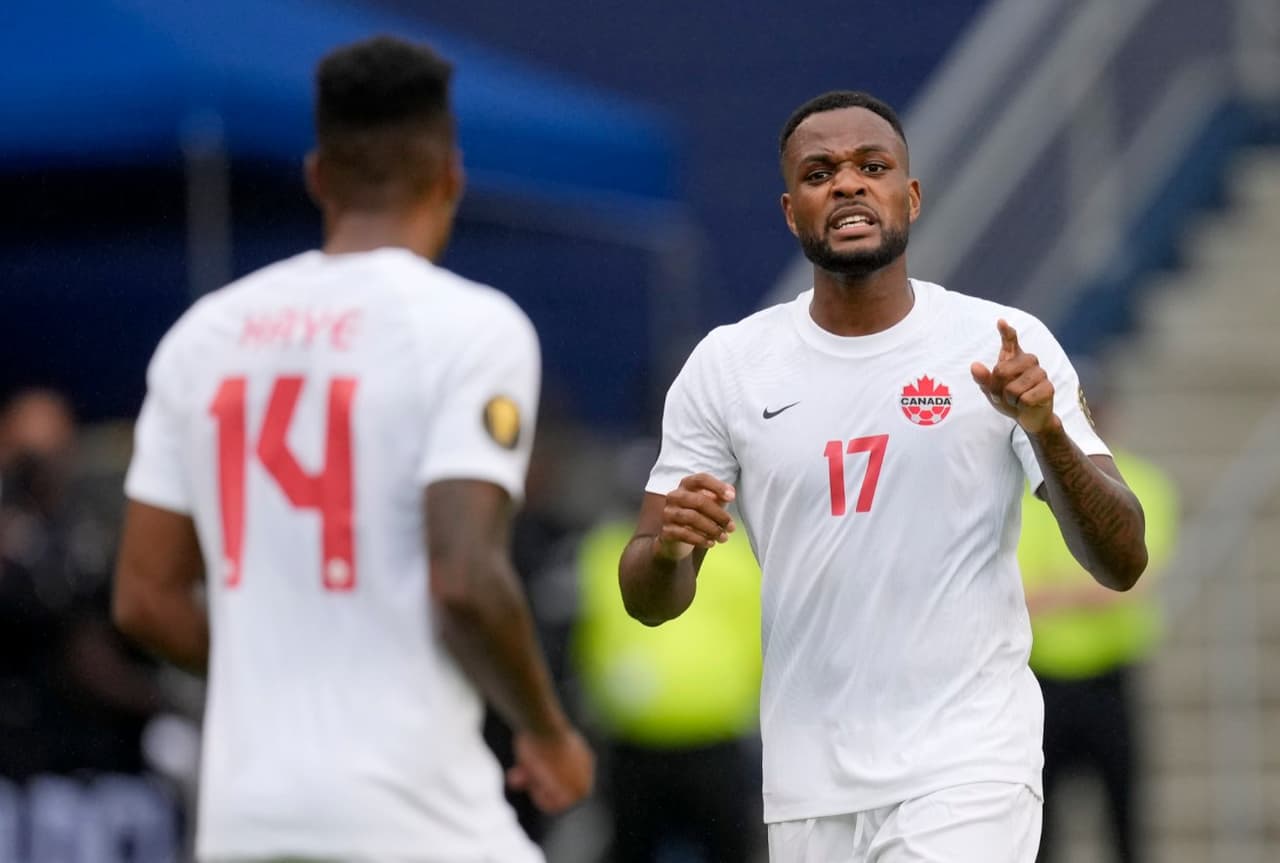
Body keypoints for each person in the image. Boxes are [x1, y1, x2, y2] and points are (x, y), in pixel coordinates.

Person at [617, 90, 1149, 863]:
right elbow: (647, 598)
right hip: (811, 784)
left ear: (911, 194)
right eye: (819, 172)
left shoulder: (1001, 341)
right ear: (791, 210)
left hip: (970, 763)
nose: (848, 184)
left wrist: (1048, 432)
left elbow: (1122, 556)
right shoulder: (729, 366)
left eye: (873, 166)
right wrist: (669, 548)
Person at [112, 36, 593, 863]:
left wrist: (282, 665)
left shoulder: (204, 335)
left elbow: (144, 599)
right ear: (451, 176)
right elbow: (467, 578)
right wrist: (546, 730)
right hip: (413, 814)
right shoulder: (471, 326)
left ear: (316, 177)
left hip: (244, 819)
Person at [1018, 379, 1179, 863]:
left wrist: (1057, 596)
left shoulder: (1144, 481)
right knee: (1037, 832)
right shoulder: (1027, 488)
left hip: (1111, 678)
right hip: (1040, 686)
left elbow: (1130, 581)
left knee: (1125, 823)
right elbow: (1021, 596)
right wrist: (1085, 592)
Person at [574, 505, 764, 863]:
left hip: (716, 742)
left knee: (726, 848)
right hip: (634, 743)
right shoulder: (605, 549)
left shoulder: (742, 553)